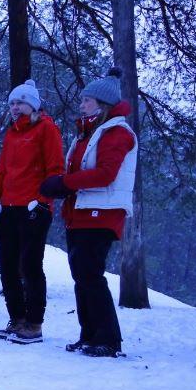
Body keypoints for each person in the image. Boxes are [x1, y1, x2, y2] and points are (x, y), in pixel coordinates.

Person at [40, 68, 137, 358]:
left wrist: (64, 183)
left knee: (90, 275)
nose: (81, 104)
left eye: (87, 100)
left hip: (102, 212)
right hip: (80, 212)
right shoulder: (90, 132)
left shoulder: (117, 132)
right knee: (82, 275)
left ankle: (107, 339)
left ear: (102, 104)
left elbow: (106, 174)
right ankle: (90, 334)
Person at [0, 80, 64, 345]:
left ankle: (34, 323)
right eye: (12, 103)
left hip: (34, 209)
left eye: (20, 103)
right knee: (7, 267)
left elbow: (55, 170)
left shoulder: (46, 129)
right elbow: (2, 172)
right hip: (8, 209)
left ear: (33, 104)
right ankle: (16, 319)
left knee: (29, 265)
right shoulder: (12, 133)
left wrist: (42, 203)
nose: (15, 107)